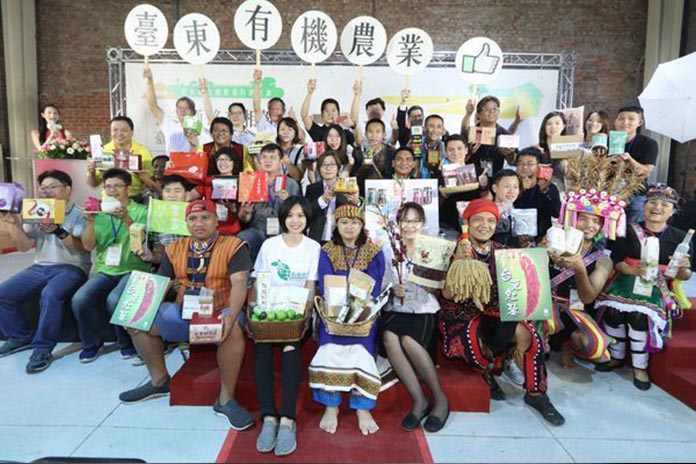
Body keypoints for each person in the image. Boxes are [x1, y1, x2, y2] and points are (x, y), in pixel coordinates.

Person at [118, 200, 254, 424]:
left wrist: (231, 315)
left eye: (205, 218)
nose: (199, 223)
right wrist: (140, 311)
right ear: (186, 223)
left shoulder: (234, 245)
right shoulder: (174, 248)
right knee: (138, 322)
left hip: (221, 307)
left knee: (232, 329)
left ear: (216, 220)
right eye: (193, 219)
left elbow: (239, 282)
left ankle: (225, 400)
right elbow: (161, 282)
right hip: (185, 311)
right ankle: (159, 381)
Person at [440, 199, 565, 426]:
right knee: (471, 341)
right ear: (467, 223)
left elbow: (522, 284)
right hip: (463, 313)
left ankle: (536, 393)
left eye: (490, 221)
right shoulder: (452, 250)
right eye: (478, 220)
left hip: (498, 312)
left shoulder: (504, 251)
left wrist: (540, 255)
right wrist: (458, 260)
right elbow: (448, 295)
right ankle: (487, 370)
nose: (484, 225)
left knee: (530, 336)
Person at [595, 185, 693, 390]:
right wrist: (631, 270)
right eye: (652, 202)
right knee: (613, 312)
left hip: (658, 287)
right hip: (626, 282)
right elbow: (616, 260)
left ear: (673, 211)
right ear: (644, 205)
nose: (657, 207)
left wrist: (683, 269)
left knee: (639, 317)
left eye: (664, 205)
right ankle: (617, 356)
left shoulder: (680, 237)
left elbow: (685, 275)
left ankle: (640, 367)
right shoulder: (627, 230)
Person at [250, 196, 320, 456]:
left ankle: (288, 419)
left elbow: (310, 286)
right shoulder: (270, 245)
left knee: (291, 350)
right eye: (290, 215)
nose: (295, 221)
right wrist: (254, 310)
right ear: (283, 218)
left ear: (307, 219)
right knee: (262, 350)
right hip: (269, 312)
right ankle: (269, 417)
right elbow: (259, 281)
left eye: (300, 215)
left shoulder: (313, 247)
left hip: (295, 315)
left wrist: (306, 315)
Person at [0, 170, 90, 373]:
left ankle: (42, 349)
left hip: (72, 267)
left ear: (68, 189)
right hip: (39, 266)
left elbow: (82, 248)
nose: (47, 191)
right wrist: (15, 225)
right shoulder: (37, 210)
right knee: (3, 294)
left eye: (53, 187)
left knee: (50, 295)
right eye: (43, 188)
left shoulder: (80, 214)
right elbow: (24, 247)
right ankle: (19, 337)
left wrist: (58, 230)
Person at [309, 203, 385, 435]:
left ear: (362, 225)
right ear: (337, 225)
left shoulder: (374, 251)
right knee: (329, 348)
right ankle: (331, 405)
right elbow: (326, 282)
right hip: (333, 313)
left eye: (354, 222)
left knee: (362, 351)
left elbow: (375, 284)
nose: (349, 227)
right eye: (344, 222)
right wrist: (339, 309)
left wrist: (358, 309)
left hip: (363, 315)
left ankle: (362, 407)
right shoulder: (327, 250)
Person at [380, 202, 450, 433]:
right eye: (405, 221)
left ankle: (440, 399)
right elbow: (382, 283)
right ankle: (419, 400)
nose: (409, 226)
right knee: (389, 336)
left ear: (423, 223)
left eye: (415, 221)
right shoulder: (389, 248)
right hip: (396, 308)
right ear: (398, 223)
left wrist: (432, 285)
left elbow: (442, 285)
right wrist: (392, 289)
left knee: (408, 340)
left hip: (423, 309)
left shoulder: (432, 247)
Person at [72, 168, 150, 362]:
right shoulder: (99, 212)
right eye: (108, 186)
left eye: (117, 186)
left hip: (134, 267)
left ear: (128, 189)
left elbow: (144, 243)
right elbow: (88, 246)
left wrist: (126, 219)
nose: (112, 190)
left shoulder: (142, 211)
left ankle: (126, 343)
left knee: (114, 300)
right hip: (105, 269)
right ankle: (91, 344)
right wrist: (90, 222)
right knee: (80, 299)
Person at [237, 143, 301, 259]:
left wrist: (288, 202)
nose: (268, 161)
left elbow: (300, 215)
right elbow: (244, 219)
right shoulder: (251, 182)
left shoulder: (291, 184)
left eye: (272, 157)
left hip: (283, 231)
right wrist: (245, 213)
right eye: (264, 157)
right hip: (258, 230)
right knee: (242, 238)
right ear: (259, 161)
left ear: (280, 161)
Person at [143, 64, 213, 153]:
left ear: (193, 112)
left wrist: (204, 91)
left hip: (193, 161)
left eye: (187, 108)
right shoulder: (170, 125)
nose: (183, 111)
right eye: (180, 108)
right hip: (172, 162)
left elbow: (210, 117)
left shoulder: (199, 127)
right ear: (176, 111)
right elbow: (152, 105)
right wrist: (149, 82)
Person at [86, 116, 154, 198]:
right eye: (115, 130)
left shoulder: (143, 152)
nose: (119, 133)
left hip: (136, 198)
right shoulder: (103, 151)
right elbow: (93, 184)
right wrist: (91, 172)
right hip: (109, 199)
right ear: (110, 132)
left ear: (132, 132)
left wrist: (144, 178)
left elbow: (152, 184)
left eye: (124, 130)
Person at [615, 105, 659, 224]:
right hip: (609, 192)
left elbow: (646, 172)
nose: (625, 122)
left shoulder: (649, 143)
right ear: (616, 121)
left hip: (635, 195)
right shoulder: (607, 141)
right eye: (621, 118)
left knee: (633, 228)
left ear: (639, 122)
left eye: (631, 119)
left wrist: (630, 160)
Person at [138, 174, 194, 267]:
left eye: (177, 191)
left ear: (187, 195)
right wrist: (151, 257)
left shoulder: (198, 216)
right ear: (162, 195)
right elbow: (159, 253)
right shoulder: (158, 218)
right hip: (169, 267)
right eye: (167, 191)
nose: (172, 195)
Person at [305, 152, 359, 243]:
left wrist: (356, 202)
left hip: (341, 239)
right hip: (317, 239)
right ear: (319, 169)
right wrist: (322, 200)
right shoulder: (312, 189)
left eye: (332, 164)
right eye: (324, 165)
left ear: (339, 168)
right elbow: (306, 213)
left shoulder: (347, 186)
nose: (328, 168)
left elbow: (356, 215)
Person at [190, 147, 243, 236]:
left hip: (232, 230)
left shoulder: (242, 182)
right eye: (220, 160)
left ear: (234, 162)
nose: (223, 163)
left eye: (226, 159)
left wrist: (233, 209)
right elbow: (187, 196)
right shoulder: (209, 181)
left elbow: (245, 214)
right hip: (210, 230)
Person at [460, 96, 519, 175]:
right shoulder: (471, 133)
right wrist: (469, 152)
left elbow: (514, 162)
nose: (491, 112)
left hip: (495, 177)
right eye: (487, 109)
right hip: (471, 177)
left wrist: (509, 154)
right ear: (478, 114)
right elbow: (457, 157)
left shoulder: (504, 134)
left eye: (495, 109)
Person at [514, 147, 561, 244]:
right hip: (515, 238)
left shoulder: (549, 187)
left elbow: (556, 212)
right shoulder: (511, 186)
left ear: (539, 166)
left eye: (530, 164)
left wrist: (544, 191)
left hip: (541, 239)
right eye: (521, 163)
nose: (524, 167)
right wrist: (520, 192)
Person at [301, 78, 358, 147]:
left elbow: (358, 144)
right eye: (326, 111)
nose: (330, 113)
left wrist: (356, 95)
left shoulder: (345, 133)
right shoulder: (317, 131)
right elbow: (304, 116)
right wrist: (309, 93)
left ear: (338, 114)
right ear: (322, 115)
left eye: (333, 110)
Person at [490, 169, 522, 247]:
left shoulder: (520, 211)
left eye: (515, 187)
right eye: (507, 186)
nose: (511, 191)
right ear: (495, 188)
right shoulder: (486, 211)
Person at [275, 117, 304, 181]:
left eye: (290, 129)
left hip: (293, 185)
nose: (286, 132)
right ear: (278, 132)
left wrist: (287, 161)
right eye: (282, 129)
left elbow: (298, 177)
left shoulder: (301, 150)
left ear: (295, 132)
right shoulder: (273, 149)